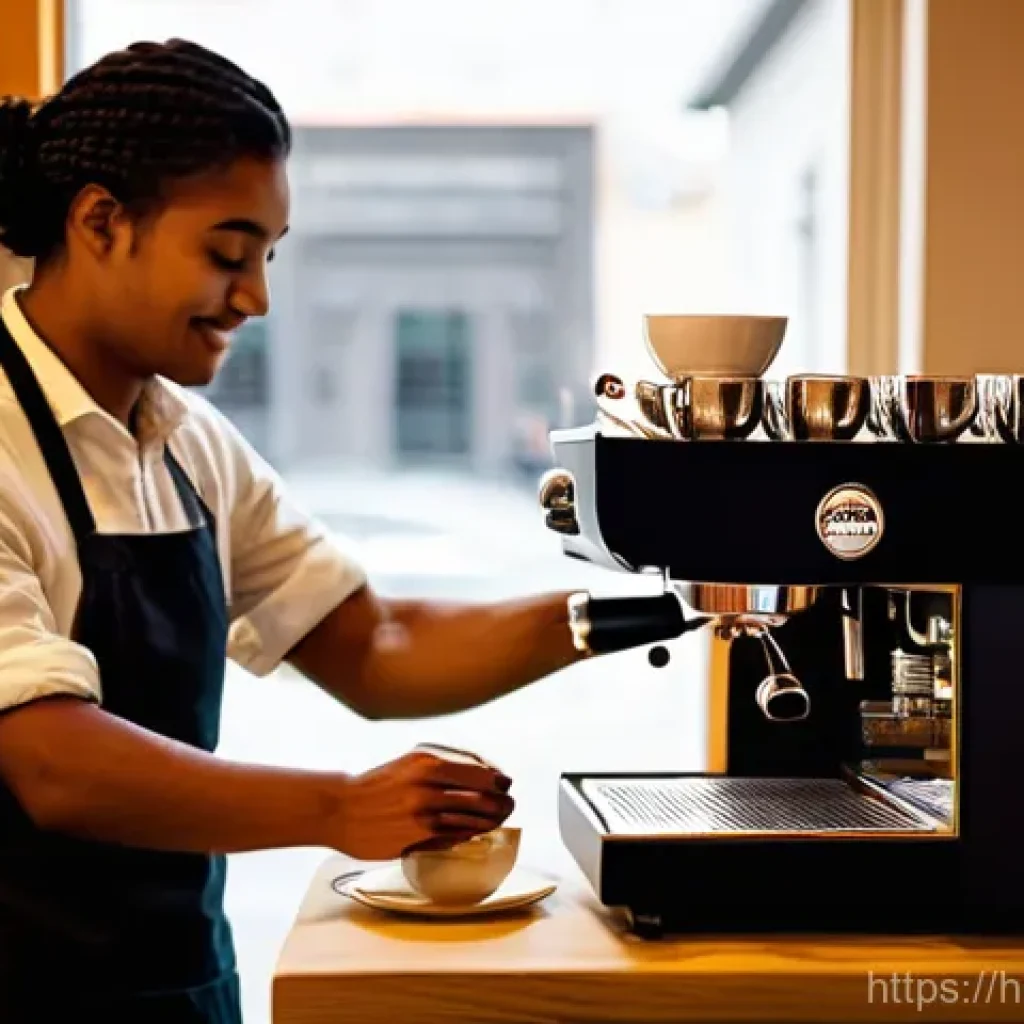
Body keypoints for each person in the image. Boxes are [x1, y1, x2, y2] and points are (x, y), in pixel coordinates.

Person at [0, 39, 588, 1023]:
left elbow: (376, 644)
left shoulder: (189, 444)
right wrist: (339, 806)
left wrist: (653, 605)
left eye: (267, 258)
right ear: (101, 220)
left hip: (182, 986)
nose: (256, 298)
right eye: (227, 254)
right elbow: (50, 761)